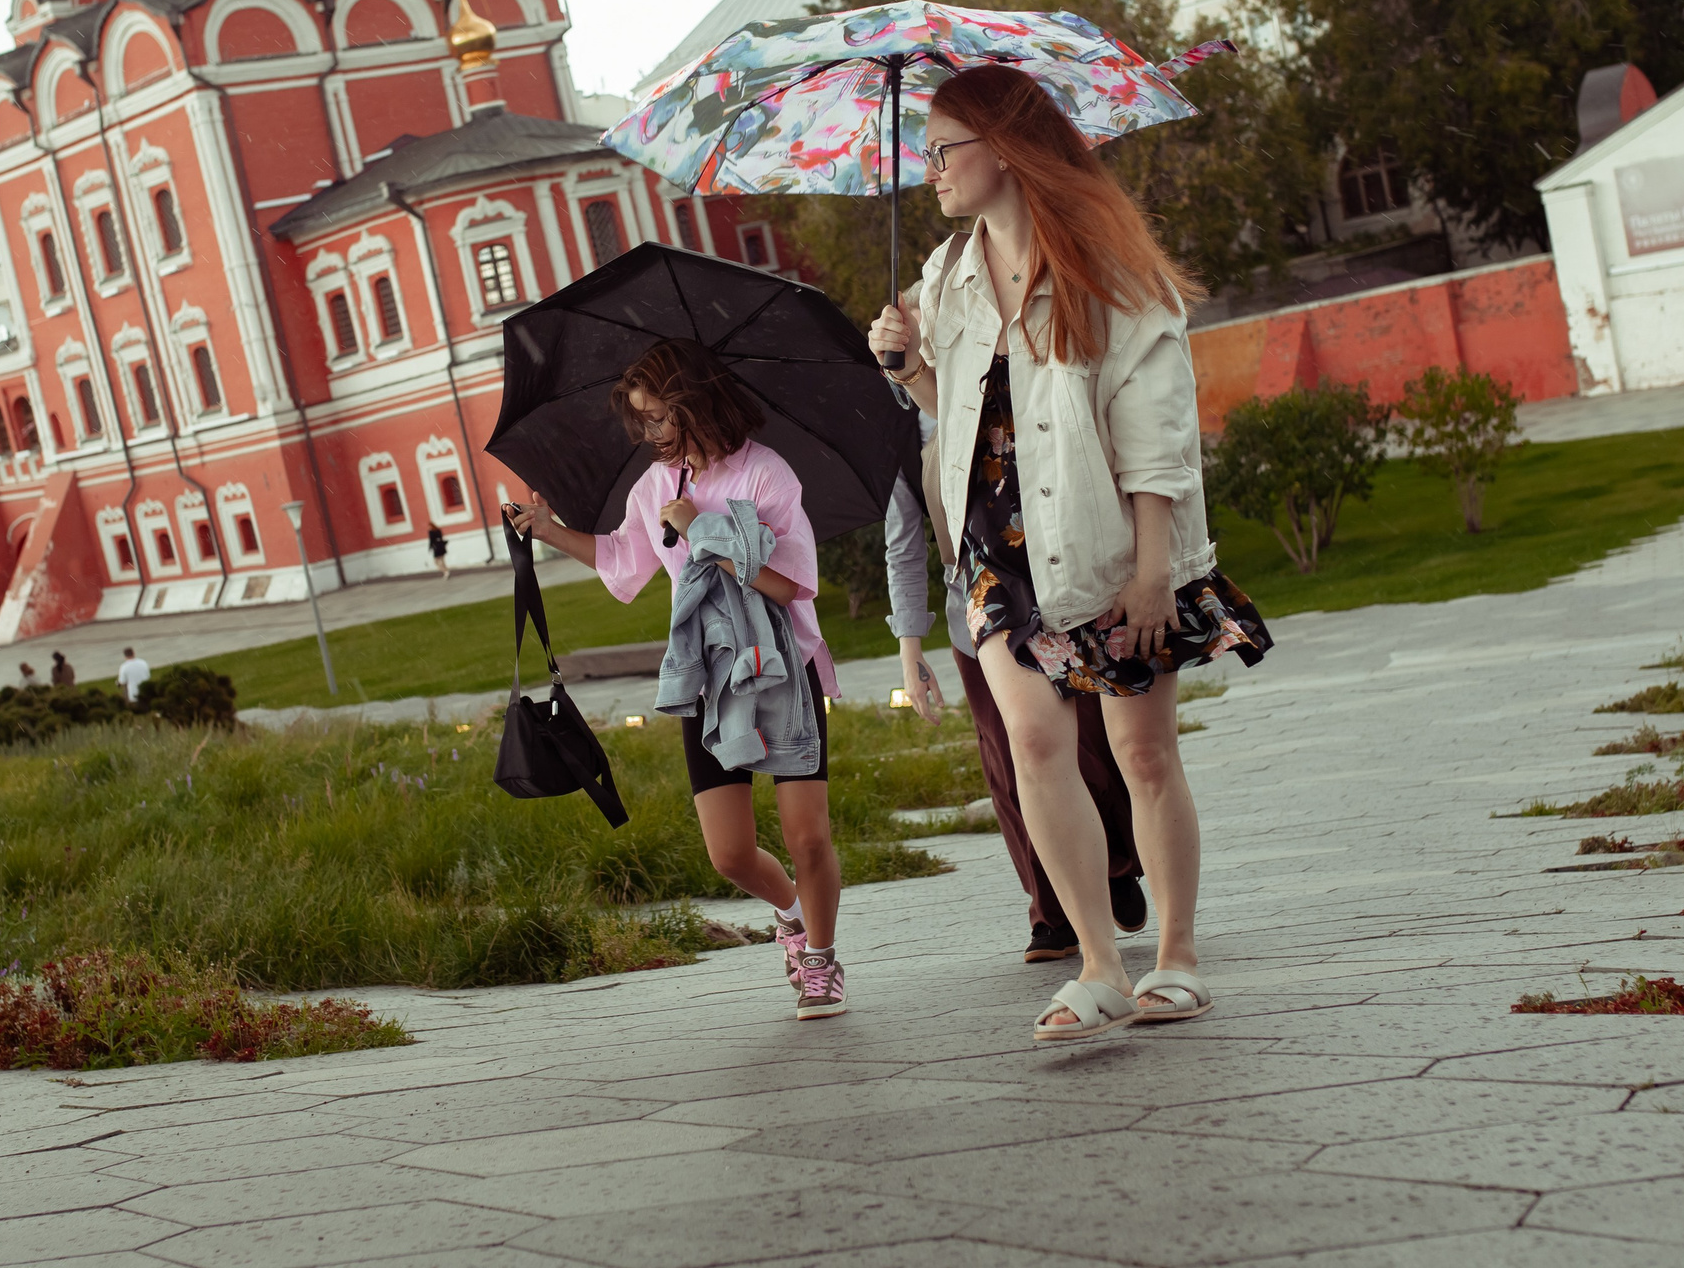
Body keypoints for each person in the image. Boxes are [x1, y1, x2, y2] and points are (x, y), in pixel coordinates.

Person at [871, 62, 1272, 1042]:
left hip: (1104, 542)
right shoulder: (946, 278)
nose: (930, 170)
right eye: (924, 152)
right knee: (1036, 744)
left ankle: (1173, 960)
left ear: (1003, 151)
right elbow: (960, 419)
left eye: (944, 151)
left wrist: (1148, 572)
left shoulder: (1107, 268)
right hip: (997, 551)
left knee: (1140, 752)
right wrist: (907, 365)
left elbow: (1160, 439)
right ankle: (1097, 964)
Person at [506, 338, 848, 1019]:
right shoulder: (656, 487)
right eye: (643, 420)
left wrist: (707, 532)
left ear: (698, 402)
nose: (652, 434)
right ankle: (791, 914)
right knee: (729, 855)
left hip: (781, 671)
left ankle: (821, 963)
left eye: (662, 416)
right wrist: (548, 530)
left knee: (807, 835)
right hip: (707, 682)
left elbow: (793, 585)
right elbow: (623, 563)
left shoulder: (767, 475)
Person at [886, 404, 1146, 962]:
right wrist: (911, 648)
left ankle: (1116, 863)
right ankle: (1052, 911)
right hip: (977, 616)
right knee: (1009, 758)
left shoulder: (1008, 382)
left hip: (1059, 596)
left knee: (1089, 744)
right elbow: (904, 543)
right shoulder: (902, 434)